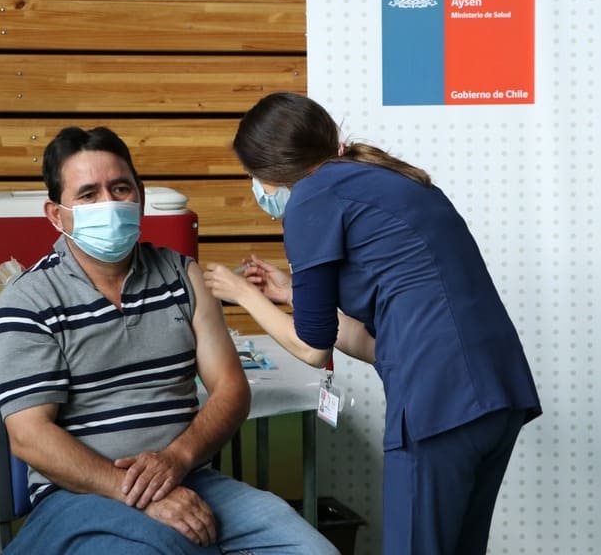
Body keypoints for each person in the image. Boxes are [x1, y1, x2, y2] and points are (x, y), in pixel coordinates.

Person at [202, 92, 543, 555]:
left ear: (271, 169)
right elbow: (383, 340)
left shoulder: (311, 197)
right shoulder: (389, 180)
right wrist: (294, 294)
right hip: (496, 392)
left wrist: (243, 295)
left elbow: (313, 348)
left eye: (252, 176)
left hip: (439, 402)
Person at [0, 126, 338, 555]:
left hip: (190, 477)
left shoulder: (182, 276)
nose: (109, 204)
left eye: (120, 188)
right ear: (56, 215)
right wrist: (137, 492)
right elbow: (29, 436)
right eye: (89, 195)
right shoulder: (26, 302)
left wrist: (177, 459)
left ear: (141, 195)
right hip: (80, 494)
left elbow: (231, 388)